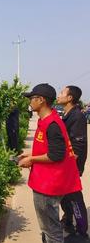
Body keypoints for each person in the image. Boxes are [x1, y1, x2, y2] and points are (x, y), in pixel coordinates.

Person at [18, 83, 82, 243]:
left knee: (51, 231)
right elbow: (51, 149)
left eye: (32, 98)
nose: (30, 102)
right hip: (45, 182)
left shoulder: (52, 124)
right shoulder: (46, 120)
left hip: (47, 185)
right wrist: (31, 154)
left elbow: (56, 155)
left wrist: (31, 159)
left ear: (41, 100)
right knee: (48, 228)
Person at [57, 85, 88, 237]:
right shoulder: (67, 113)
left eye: (62, 92)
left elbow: (78, 145)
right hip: (66, 165)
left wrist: (69, 168)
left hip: (72, 166)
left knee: (74, 198)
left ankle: (82, 232)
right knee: (65, 197)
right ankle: (68, 221)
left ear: (70, 98)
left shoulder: (77, 116)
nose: (59, 94)